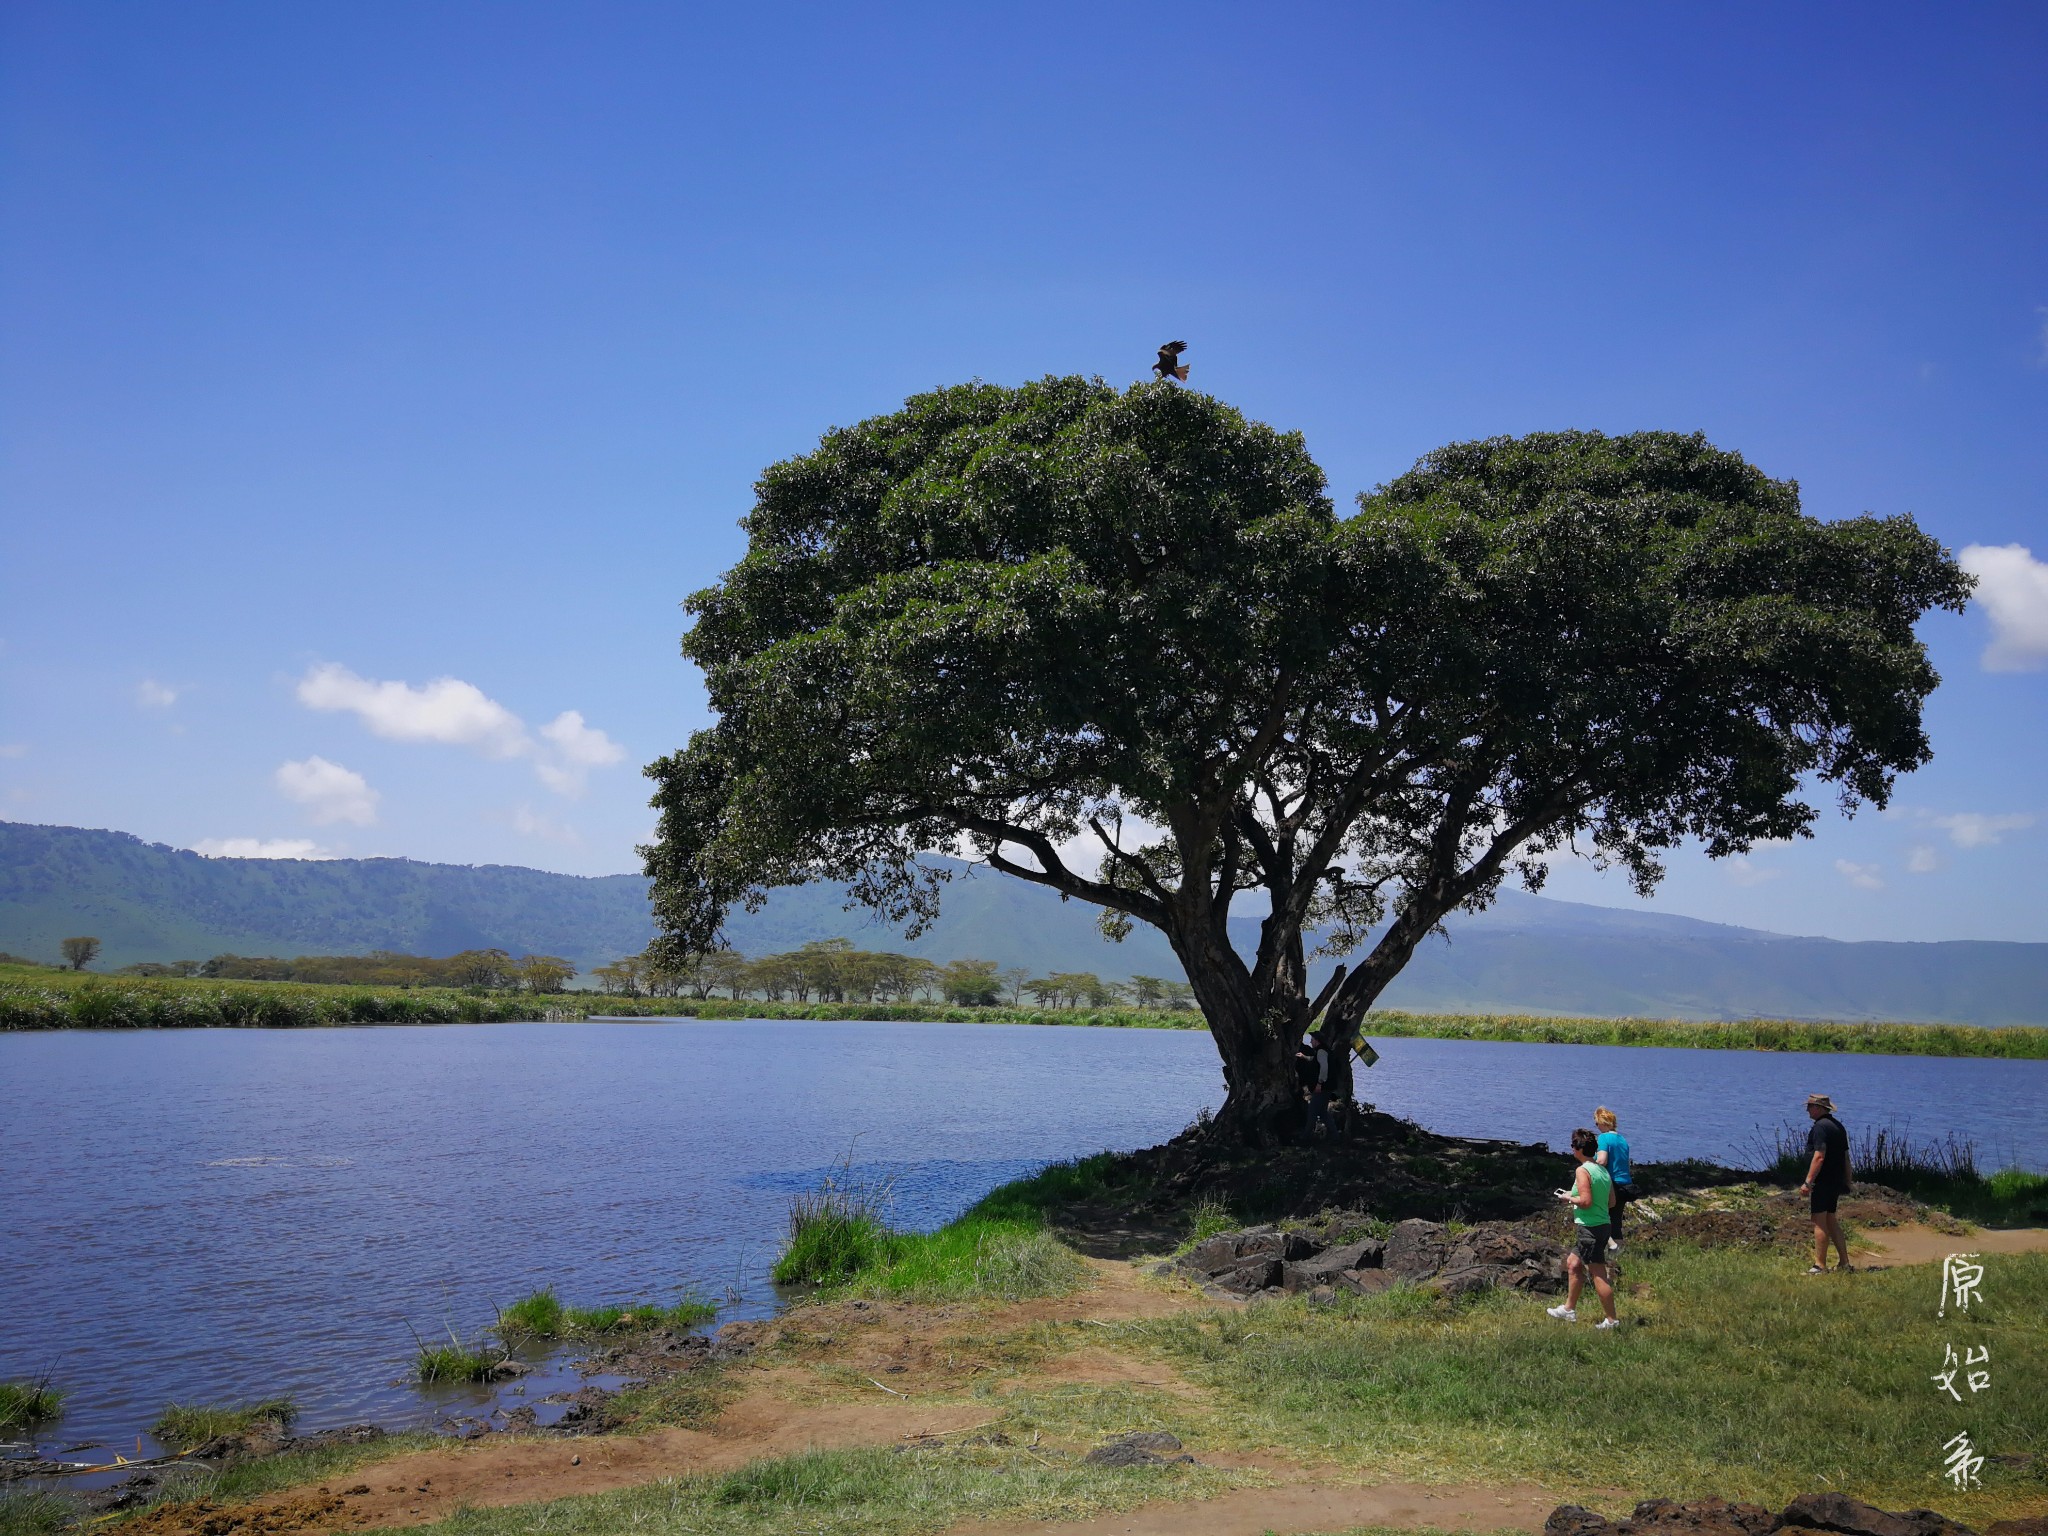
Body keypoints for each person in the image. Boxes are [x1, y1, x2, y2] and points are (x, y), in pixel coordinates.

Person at [1548, 1128, 1619, 1329]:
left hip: (1590, 1229)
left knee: (1598, 1274)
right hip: (1603, 1225)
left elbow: (1585, 1201)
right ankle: (1568, 1309)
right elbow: (1611, 1201)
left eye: (1572, 1145)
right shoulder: (1602, 1170)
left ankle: (1612, 1320)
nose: (1571, 1149)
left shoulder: (1582, 1170)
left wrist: (1568, 1198)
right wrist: (1576, 1194)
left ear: (1578, 1149)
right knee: (1573, 1263)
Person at [1800, 1093, 1853, 1274]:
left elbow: (1819, 1156)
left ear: (1819, 1108)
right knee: (1831, 1220)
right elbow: (1846, 1158)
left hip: (1823, 1182)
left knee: (1819, 1221)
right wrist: (1848, 1180)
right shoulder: (1838, 1126)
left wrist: (1808, 1182)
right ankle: (1844, 1263)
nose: (1807, 1110)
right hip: (1836, 1181)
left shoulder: (1821, 1127)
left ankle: (1819, 1265)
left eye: (1810, 1106)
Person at [1594, 1107, 1633, 1255]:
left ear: (1602, 1122)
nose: (1596, 1127)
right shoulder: (1622, 1140)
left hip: (1611, 1184)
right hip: (1625, 1184)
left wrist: (1590, 1166)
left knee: (1600, 1217)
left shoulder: (1603, 1138)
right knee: (1616, 1221)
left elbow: (1602, 1160)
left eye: (1597, 1123)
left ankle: (1606, 1251)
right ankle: (1618, 1251)